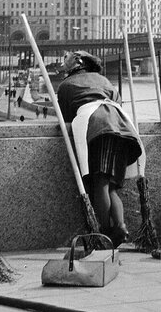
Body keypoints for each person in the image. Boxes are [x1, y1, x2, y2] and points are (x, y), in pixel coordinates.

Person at [55, 50, 144, 248]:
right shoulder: (105, 81)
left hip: (97, 126)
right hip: (123, 127)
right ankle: (120, 226)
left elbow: (66, 117)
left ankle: (102, 234)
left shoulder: (66, 86)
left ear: (78, 62)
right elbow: (117, 102)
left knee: (100, 183)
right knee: (112, 185)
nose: (64, 61)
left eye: (66, 58)